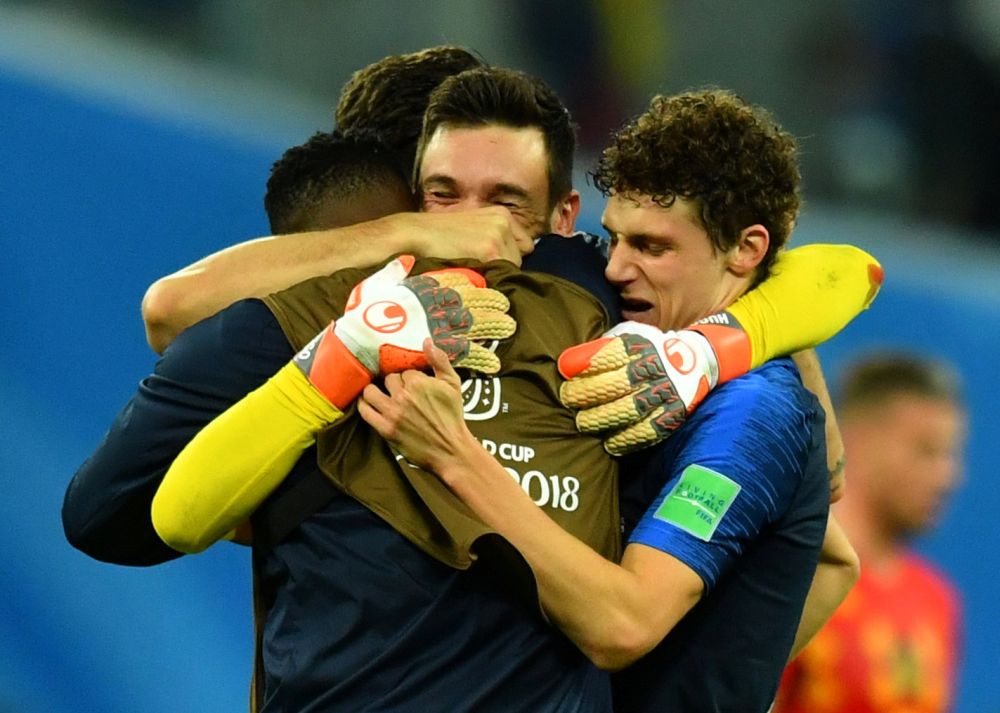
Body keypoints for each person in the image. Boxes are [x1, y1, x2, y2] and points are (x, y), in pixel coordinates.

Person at [151, 83, 878, 713]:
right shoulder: (603, 323)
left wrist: (456, 457)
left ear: (747, 250)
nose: (616, 267)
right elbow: (831, 558)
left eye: (652, 247)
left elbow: (626, 623)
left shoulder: (751, 413)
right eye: (614, 238)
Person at [773, 353, 965, 713]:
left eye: (951, 455)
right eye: (927, 450)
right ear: (859, 440)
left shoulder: (936, 599)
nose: (948, 477)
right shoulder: (795, 576)